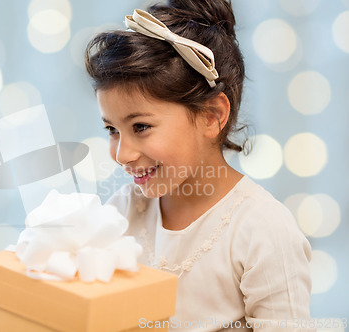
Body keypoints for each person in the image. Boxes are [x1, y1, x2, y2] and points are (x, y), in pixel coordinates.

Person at [85, 0, 314, 331]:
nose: (122, 154)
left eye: (140, 127)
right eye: (111, 130)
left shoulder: (262, 231)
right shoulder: (122, 212)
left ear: (211, 116)